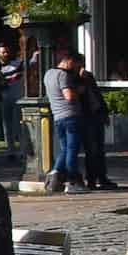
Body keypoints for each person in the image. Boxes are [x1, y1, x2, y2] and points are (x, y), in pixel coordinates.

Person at [43, 49, 84, 193]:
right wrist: (79, 90)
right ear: (70, 61)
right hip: (70, 116)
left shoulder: (48, 73)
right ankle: (72, 181)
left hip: (57, 116)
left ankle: (54, 174)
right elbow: (69, 96)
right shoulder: (63, 75)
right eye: (77, 64)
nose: (77, 68)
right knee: (72, 150)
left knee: (65, 149)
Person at [76, 62, 114, 190]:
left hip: (96, 114)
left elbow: (97, 95)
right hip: (85, 117)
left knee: (99, 149)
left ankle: (102, 177)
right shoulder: (73, 77)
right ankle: (91, 179)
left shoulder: (89, 77)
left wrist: (104, 113)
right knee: (91, 149)